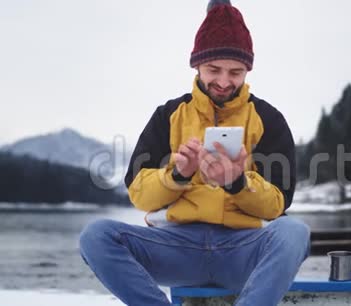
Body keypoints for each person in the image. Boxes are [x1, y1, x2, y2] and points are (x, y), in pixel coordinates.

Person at [78, 1, 310, 305]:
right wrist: (177, 175)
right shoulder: (169, 115)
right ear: (197, 65)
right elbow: (138, 195)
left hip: (242, 249)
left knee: (294, 232)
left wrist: (238, 182)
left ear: (247, 71)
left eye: (235, 72)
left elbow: (277, 205)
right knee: (96, 235)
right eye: (214, 70)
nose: (224, 82)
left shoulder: (269, 119)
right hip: (176, 248)